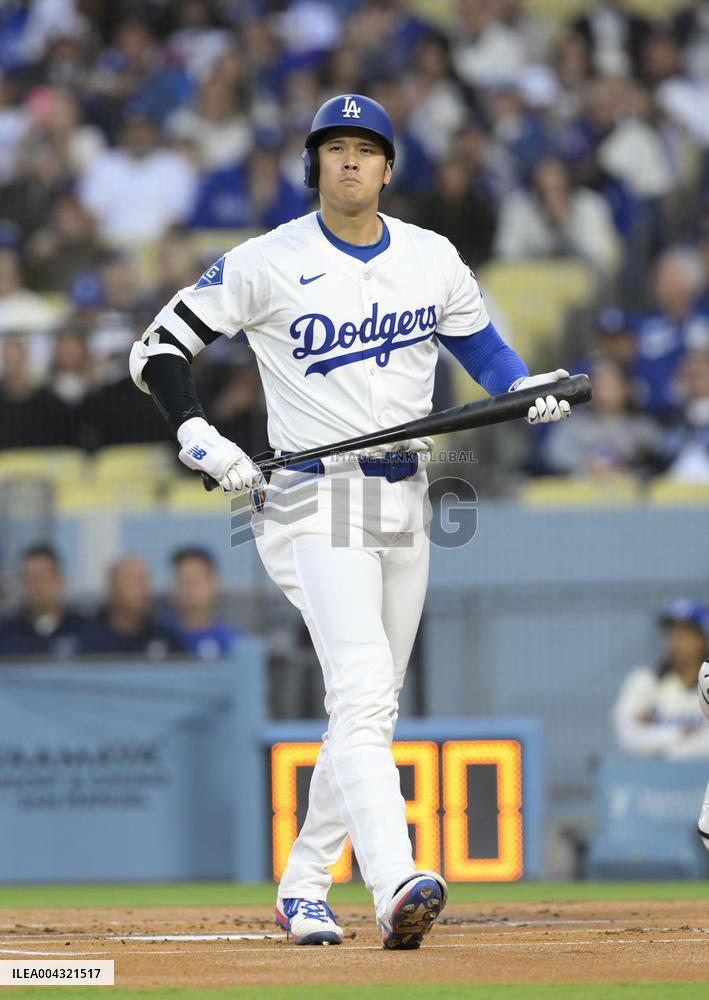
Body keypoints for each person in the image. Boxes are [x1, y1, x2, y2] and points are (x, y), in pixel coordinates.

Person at [129, 94, 576, 949]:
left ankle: (302, 889)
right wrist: (195, 432)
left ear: (386, 166)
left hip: (403, 499)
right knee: (364, 689)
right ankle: (394, 881)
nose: (348, 161)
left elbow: (482, 351)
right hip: (308, 494)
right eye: (332, 148)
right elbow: (155, 349)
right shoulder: (267, 259)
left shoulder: (430, 256)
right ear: (313, 164)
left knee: (368, 709)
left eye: (364, 149)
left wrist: (525, 390)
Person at [611, 600, 709, 759]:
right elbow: (626, 736)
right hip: (654, 780)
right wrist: (678, 734)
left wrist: (654, 736)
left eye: (687, 632)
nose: (676, 639)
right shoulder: (644, 680)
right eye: (671, 631)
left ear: (704, 639)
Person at [82, 556, 183, 658]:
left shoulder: (165, 638)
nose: (138, 590)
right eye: (130, 582)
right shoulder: (87, 637)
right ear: (112, 587)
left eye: (143, 582)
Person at [0, 543, 87, 657]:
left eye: (42, 577)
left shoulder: (84, 630)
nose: (36, 585)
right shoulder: (6, 631)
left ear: (60, 580)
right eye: (29, 578)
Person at [164, 546, 243, 659]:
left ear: (214, 584)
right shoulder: (158, 636)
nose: (189, 588)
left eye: (196, 580)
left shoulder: (232, 641)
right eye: (183, 580)